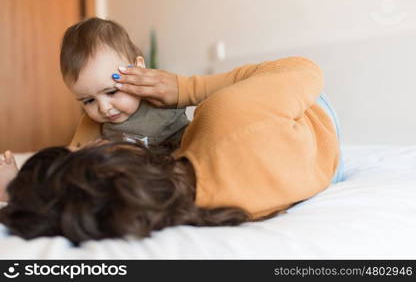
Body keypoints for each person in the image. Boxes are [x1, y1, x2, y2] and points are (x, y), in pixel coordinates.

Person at [0, 56, 344, 244]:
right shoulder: (225, 115)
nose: (98, 128)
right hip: (317, 124)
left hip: (310, 167)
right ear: (112, 153)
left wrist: (18, 193)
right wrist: (187, 88)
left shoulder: (183, 211)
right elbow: (304, 70)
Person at [61, 17, 189, 152]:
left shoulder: (164, 104)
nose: (104, 109)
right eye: (89, 100)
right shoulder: (94, 124)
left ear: (138, 68)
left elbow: (193, 143)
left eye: (111, 92)